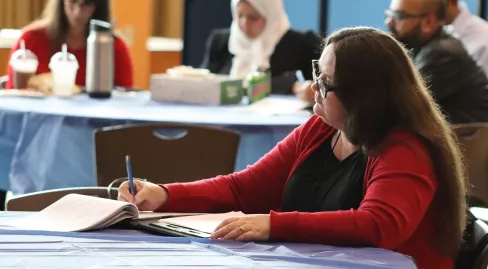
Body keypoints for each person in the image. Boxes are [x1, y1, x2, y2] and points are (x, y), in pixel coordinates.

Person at [119, 26, 468, 269]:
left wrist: (273, 225)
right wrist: (164, 195)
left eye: (325, 83)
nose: (314, 88)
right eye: (318, 74)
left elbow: (377, 225)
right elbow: (244, 187)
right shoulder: (322, 127)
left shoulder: (405, 147)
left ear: (363, 97)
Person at [5, 0, 134, 89]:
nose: (77, 12)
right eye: (72, 1)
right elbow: (11, 97)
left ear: (98, 7)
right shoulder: (31, 40)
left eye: (86, 5)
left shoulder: (114, 49)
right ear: (62, 0)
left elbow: (124, 101)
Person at [385, 0, 488, 125]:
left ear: (428, 22)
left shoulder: (442, 54)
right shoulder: (428, 46)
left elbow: (401, 107)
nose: (389, 22)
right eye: (390, 14)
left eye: (398, 16)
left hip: (468, 143)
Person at [200, 0, 320, 95]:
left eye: (254, 17)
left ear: (270, 14)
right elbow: (204, 83)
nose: (245, 24)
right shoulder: (221, 42)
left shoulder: (302, 44)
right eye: (239, 15)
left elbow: (319, 88)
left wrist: (302, 89)